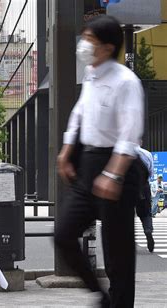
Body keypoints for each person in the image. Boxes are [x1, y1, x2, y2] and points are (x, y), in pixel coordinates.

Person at [55, 15, 144, 308]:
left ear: (107, 47)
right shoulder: (91, 76)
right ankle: (100, 294)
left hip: (117, 168)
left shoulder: (126, 82)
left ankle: (119, 304)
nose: (84, 45)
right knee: (64, 234)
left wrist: (114, 175)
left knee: (118, 254)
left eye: (90, 40)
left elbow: (129, 135)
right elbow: (79, 115)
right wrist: (67, 151)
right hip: (88, 167)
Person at [137, 146, 155, 252]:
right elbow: (151, 173)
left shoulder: (121, 151)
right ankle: (148, 230)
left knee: (125, 214)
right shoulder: (147, 154)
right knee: (145, 213)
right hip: (143, 187)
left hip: (126, 188)